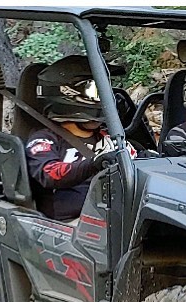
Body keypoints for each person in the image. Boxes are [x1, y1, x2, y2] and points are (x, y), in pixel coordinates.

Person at [25, 55, 136, 221]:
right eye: (96, 91)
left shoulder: (108, 137)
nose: (104, 98)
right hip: (70, 226)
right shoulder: (43, 139)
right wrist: (94, 163)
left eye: (105, 91)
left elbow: (137, 159)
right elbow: (50, 174)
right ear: (67, 93)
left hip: (116, 218)